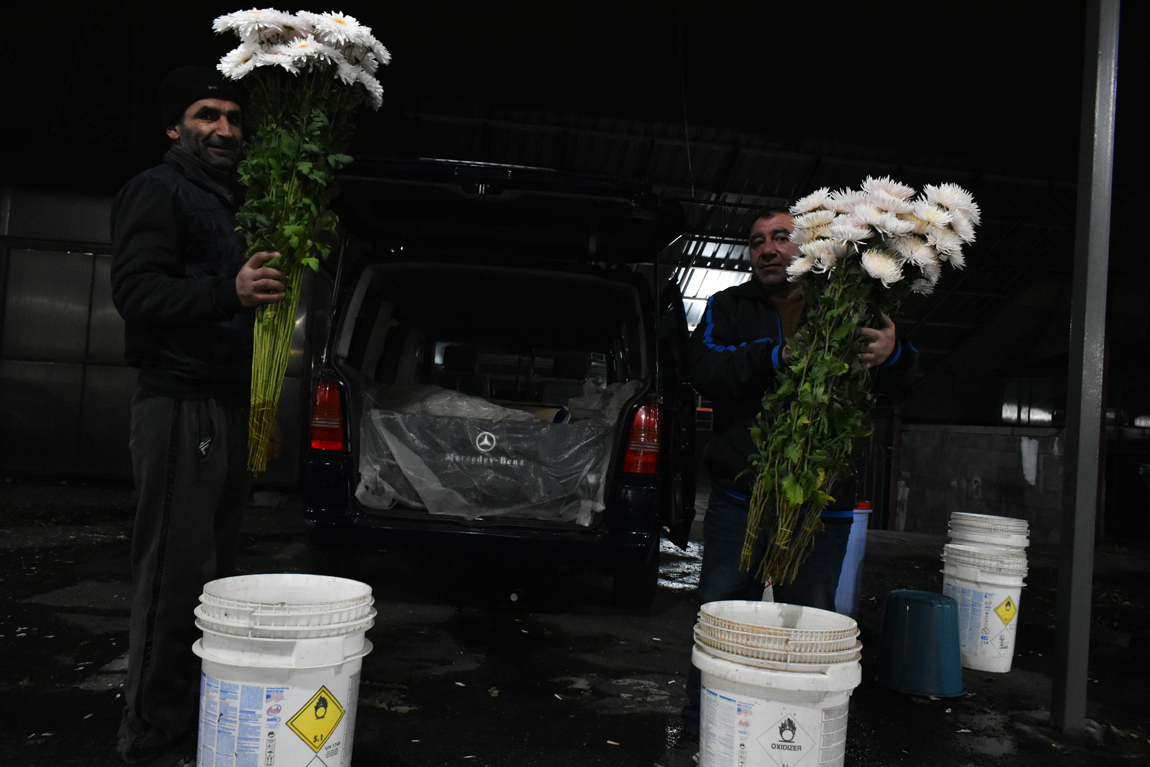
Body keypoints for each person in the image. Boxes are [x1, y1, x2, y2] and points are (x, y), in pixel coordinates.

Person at [658, 208, 918, 766]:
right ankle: (700, 733)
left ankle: (798, 738)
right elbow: (705, 368)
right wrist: (777, 356)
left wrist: (891, 353)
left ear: (809, 246)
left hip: (819, 506)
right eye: (756, 242)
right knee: (720, 622)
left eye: (780, 238)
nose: (767, 249)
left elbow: (901, 383)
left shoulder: (849, 300)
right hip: (740, 501)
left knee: (811, 627)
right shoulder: (729, 306)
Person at [110, 65, 285, 767]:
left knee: (216, 577)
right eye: (208, 114)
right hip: (179, 402)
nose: (224, 128)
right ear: (173, 126)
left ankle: (192, 720)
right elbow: (138, 292)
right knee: (174, 576)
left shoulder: (235, 202)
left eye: (235, 118)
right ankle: (150, 735)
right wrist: (229, 290)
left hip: (227, 404)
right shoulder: (158, 190)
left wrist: (257, 407)